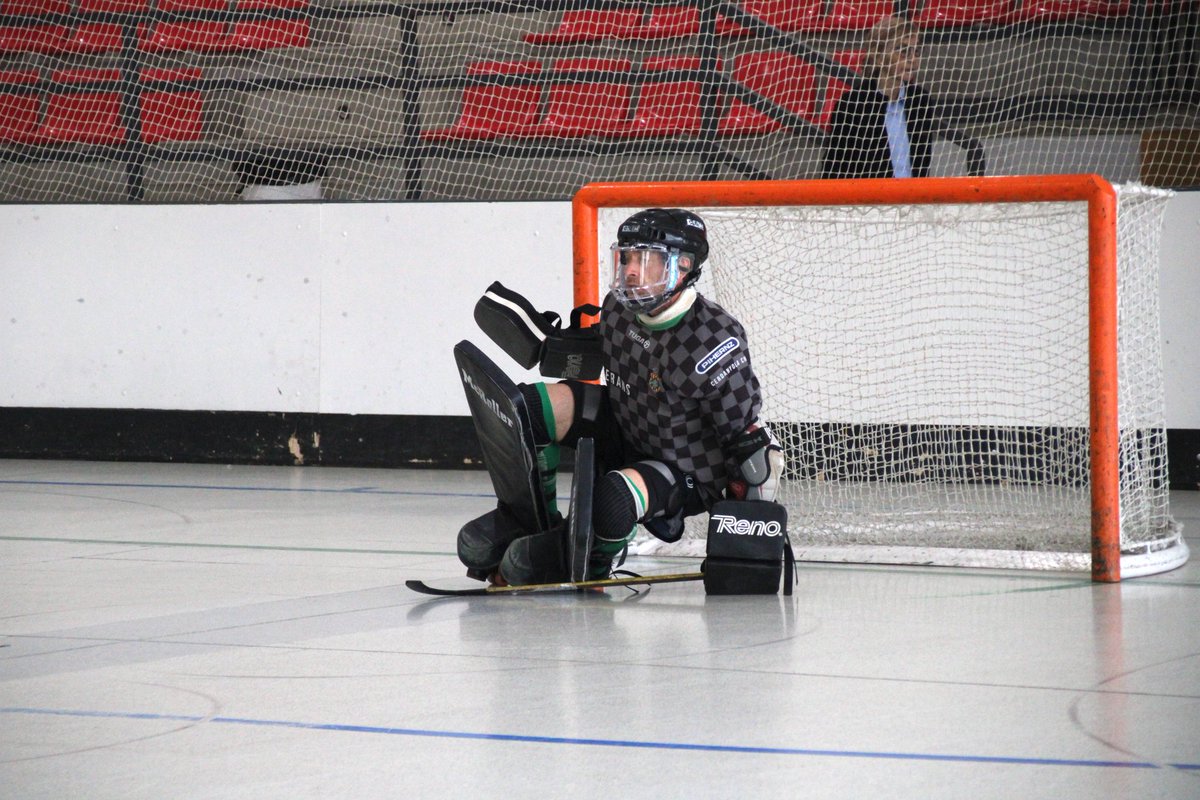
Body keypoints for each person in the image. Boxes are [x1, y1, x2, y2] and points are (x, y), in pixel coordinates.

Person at [460, 208, 785, 586]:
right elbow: (593, 355)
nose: (631, 270)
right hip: (628, 422)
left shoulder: (714, 339)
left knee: (614, 498)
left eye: (645, 259)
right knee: (526, 410)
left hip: (683, 468)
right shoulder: (618, 309)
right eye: (627, 257)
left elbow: (748, 444)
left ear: (682, 266)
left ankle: (590, 569)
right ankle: (538, 528)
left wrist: (748, 542)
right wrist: (553, 342)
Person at [822, 15, 940, 179]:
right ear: (878, 56)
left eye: (917, 51)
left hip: (913, 201)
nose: (913, 59)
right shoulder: (851, 105)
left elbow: (921, 166)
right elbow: (834, 171)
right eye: (903, 51)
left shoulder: (920, 100)